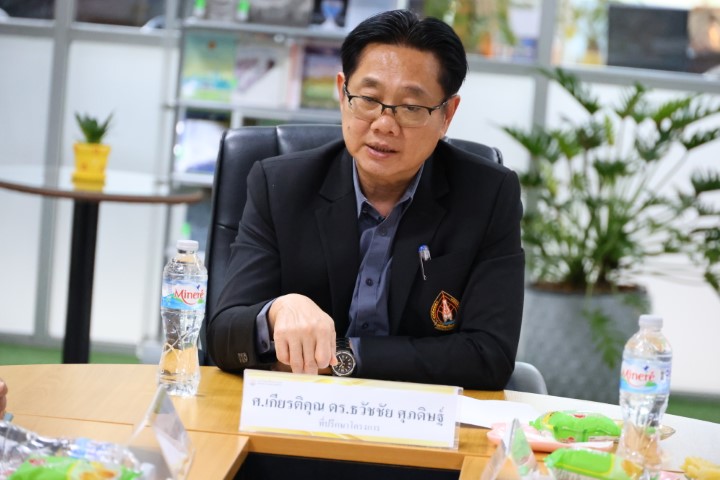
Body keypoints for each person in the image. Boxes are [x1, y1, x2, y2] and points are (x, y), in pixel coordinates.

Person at [207, 9, 524, 390]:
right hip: (295, 409)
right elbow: (222, 337)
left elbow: (490, 356)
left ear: (447, 115)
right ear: (343, 94)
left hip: (419, 415)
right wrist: (275, 312)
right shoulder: (281, 186)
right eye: (369, 99)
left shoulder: (488, 196)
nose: (384, 124)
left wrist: (345, 357)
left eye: (411, 107)